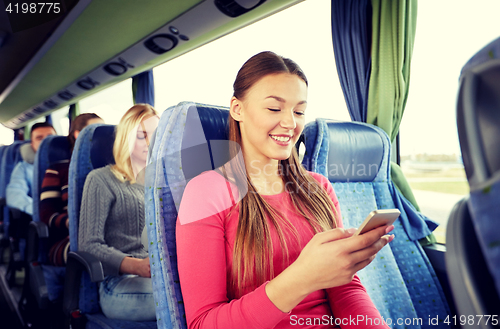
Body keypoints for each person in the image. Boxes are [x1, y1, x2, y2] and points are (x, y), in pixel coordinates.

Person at [176, 51, 394, 329]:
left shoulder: (318, 188)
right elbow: (203, 323)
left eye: (299, 111)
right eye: (274, 109)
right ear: (237, 109)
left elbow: (346, 289)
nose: (291, 123)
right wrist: (303, 277)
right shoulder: (206, 192)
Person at [79, 104, 159, 321]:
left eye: (156, 135)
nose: (150, 143)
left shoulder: (162, 182)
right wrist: (137, 266)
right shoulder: (101, 179)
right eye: (142, 136)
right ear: (126, 138)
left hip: (160, 277)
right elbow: (89, 244)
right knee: (181, 300)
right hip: (118, 283)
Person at [39, 113, 104, 267]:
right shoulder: (58, 169)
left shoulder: (113, 170)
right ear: (78, 135)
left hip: (107, 237)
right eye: (96, 130)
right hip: (67, 239)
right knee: (99, 256)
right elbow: (46, 215)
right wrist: (72, 223)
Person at [7, 122, 56, 216]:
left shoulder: (69, 163)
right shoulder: (23, 168)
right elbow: (15, 195)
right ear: (32, 144)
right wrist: (39, 211)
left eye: (50, 137)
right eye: (39, 138)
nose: (45, 142)